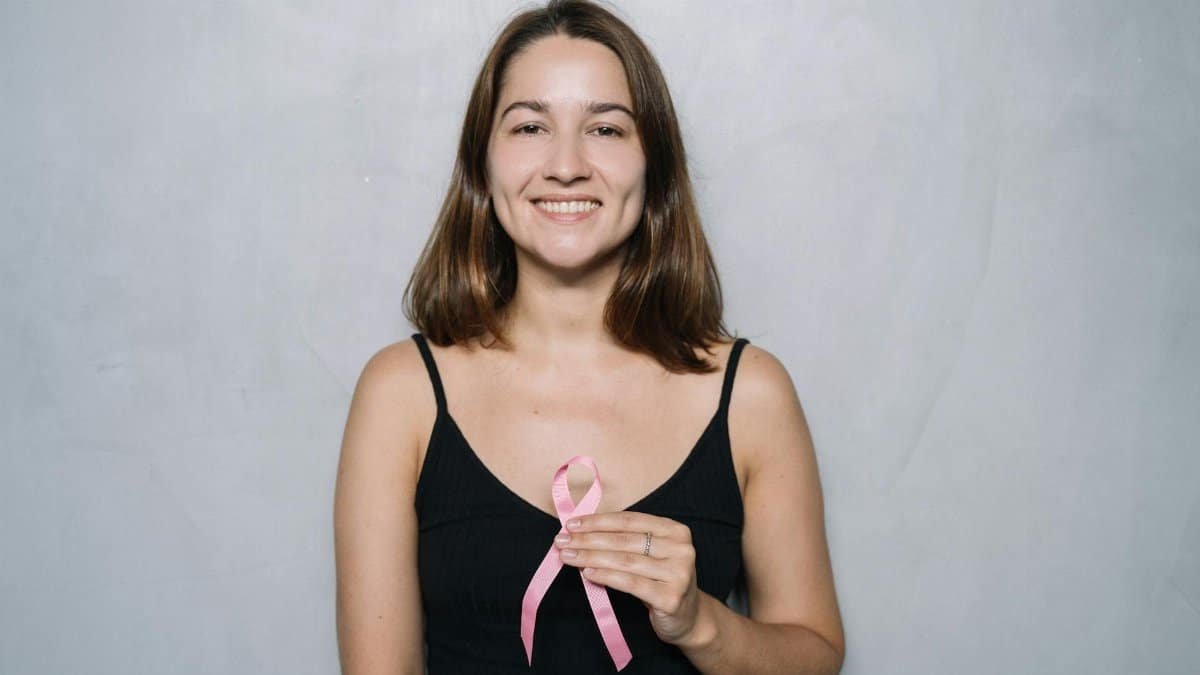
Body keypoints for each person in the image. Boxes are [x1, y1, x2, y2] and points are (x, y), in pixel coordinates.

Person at [333, 1, 844, 672]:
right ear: (482, 165)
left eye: (605, 128)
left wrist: (701, 624)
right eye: (529, 126)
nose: (566, 165)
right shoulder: (400, 394)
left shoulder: (752, 394)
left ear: (653, 165)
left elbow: (816, 653)